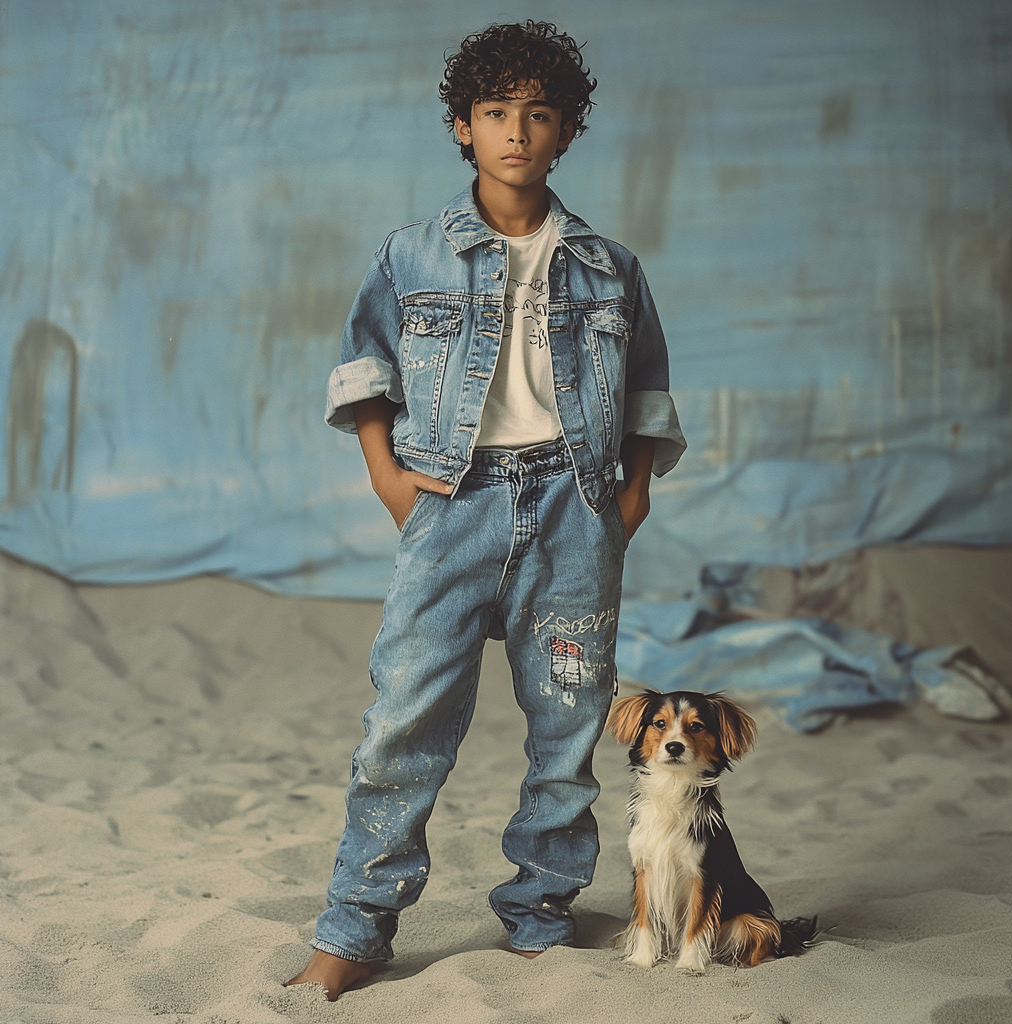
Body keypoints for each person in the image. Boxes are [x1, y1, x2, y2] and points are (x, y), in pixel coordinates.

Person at [286, 20, 686, 1000]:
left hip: (572, 508)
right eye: (496, 112)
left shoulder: (606, 265)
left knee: (565, 729)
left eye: (537, 114)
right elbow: (364, 369)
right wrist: (388, 475)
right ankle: (354, 931)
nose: (516, 130)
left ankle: (541, 919)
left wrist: (624, 498)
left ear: (563, 133)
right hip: (453, 502)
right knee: (403, 722)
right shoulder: (410, 254)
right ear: (462, 126)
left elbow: (647, 393)